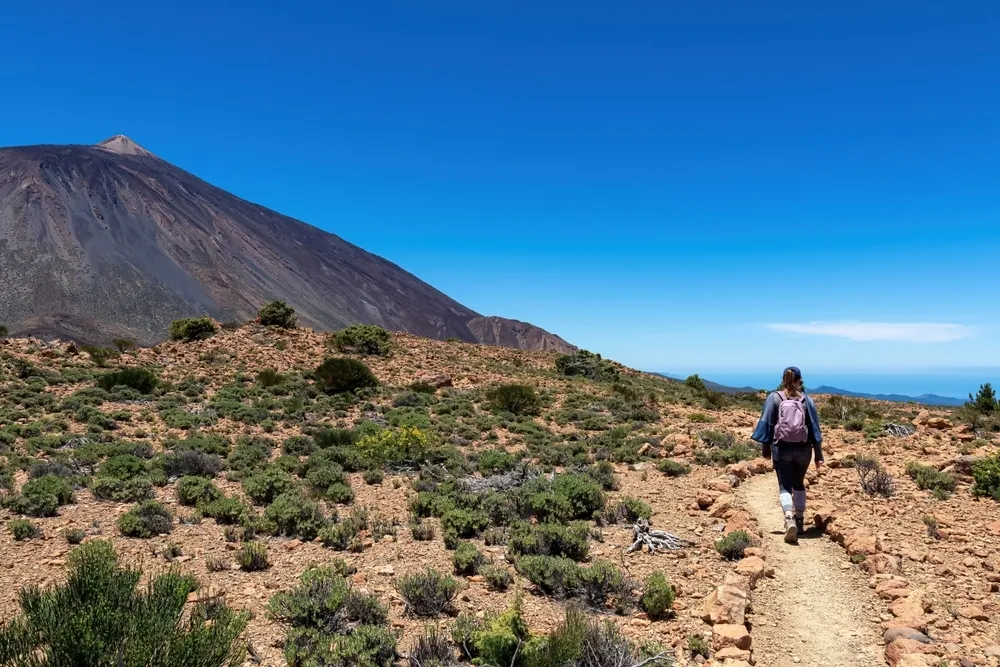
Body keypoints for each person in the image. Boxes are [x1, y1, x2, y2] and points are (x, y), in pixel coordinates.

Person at [751, 366, 823, 544]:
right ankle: (799, 521)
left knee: (784, 486)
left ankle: (788, 517)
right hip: (803, 449)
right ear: (800, 381)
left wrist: (765, 449)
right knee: (799, 483)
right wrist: (818, 454)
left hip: (781, 448)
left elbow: (767, 424)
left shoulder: (775, 398)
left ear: (783, 379)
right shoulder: (807, 400)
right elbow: (814, 428)